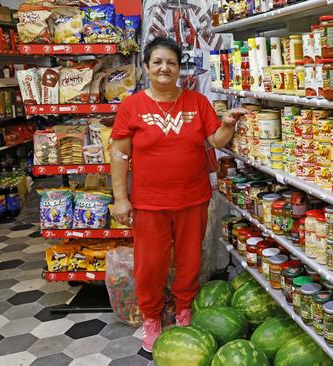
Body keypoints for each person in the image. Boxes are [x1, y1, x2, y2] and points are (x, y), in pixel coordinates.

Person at [109, 37, 249, 352]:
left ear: (179, 69)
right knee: (151, 264)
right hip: (149, 203)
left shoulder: (197, 102)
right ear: (146, 67)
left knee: (189, 260)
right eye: (157, 62)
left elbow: (216, 140)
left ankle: (184, 307)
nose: (164, 68)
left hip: (192, 198)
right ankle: (151, 317)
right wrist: (121, 198)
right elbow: (118, 155)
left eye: (171, 62)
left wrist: (227, 123)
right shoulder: (132, 107)